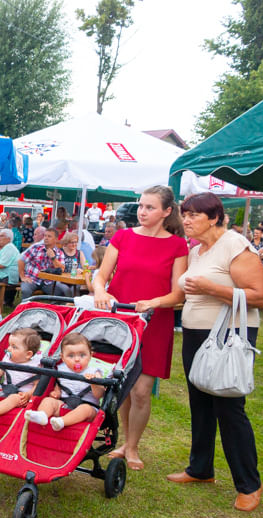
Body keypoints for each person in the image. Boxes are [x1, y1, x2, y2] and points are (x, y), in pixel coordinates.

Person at [168, 192, 263, 512]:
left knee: (228, 406)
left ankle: (249, 484)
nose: (186, 220)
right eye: (184, 214)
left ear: (214, 218)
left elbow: (260, 296)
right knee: (199, 401)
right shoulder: (197, 251)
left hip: (228, 333)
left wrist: (213, 289)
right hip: (196, 333)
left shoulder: (235, 246)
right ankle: (200, 469)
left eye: (193, 215)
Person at [93, 185, 188, 471]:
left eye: (150, 207)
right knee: (123, 384)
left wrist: (154, 302)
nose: (142, 212)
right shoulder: (122, 237)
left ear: (167, 212)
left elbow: (179, 293)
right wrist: (101, 291)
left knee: (142, 390)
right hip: (122, 320)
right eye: (141, 206)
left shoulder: (177, 245)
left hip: (155, 322)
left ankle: (133, 446)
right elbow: (101, 277)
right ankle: (124, 441)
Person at [24, 333, 104, 432]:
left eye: (82, 355)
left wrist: (94, 382)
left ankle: (61, 422)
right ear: (62, 357)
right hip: (64, 405)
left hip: (88, 408)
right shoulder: (60, 369)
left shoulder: (95, 372)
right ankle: (43, 415)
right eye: (70, 356)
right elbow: (58, 385)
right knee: (48, 401)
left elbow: (99, 395)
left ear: (90, 355)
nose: (77, 359)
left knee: (85, 409)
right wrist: (56, 392)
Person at [18, 228, 65, 298]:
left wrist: (53, 258)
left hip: (48, 282)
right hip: (32, 279)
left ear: (56, 239)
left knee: (60, 292)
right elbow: (21, 260)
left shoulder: (59, 253)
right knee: (25, 290)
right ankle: (25, 308)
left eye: (49, 236)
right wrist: (22, 277)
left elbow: (62, 269)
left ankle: (51, 308)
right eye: (45, 236)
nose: (46, 238)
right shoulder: (36, 248)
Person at [0, 229, 20, 305]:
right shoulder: (5, 248)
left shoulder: (9, 247)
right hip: (4, 275)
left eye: (1, 236)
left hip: (8, 277)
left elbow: (1, 265)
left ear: (8, 239)